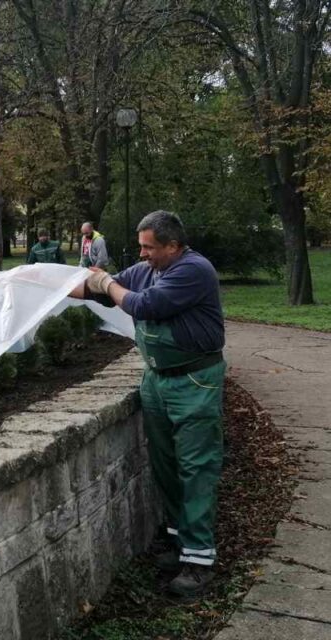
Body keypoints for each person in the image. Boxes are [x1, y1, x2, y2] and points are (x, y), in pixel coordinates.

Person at [70, 210, 225, 598]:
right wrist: (35, 284)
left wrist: (106, 281)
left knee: (196, 467)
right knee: (166, 465)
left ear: (173, 246)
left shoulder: (193, 270)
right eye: (140, 246)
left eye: (149, 248)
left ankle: (199, 562)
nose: (142, 255)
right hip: (157, 381)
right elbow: (95, 291)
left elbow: (144, 306)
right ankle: (179, 544)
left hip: (194, 381)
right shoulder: (146, 270)